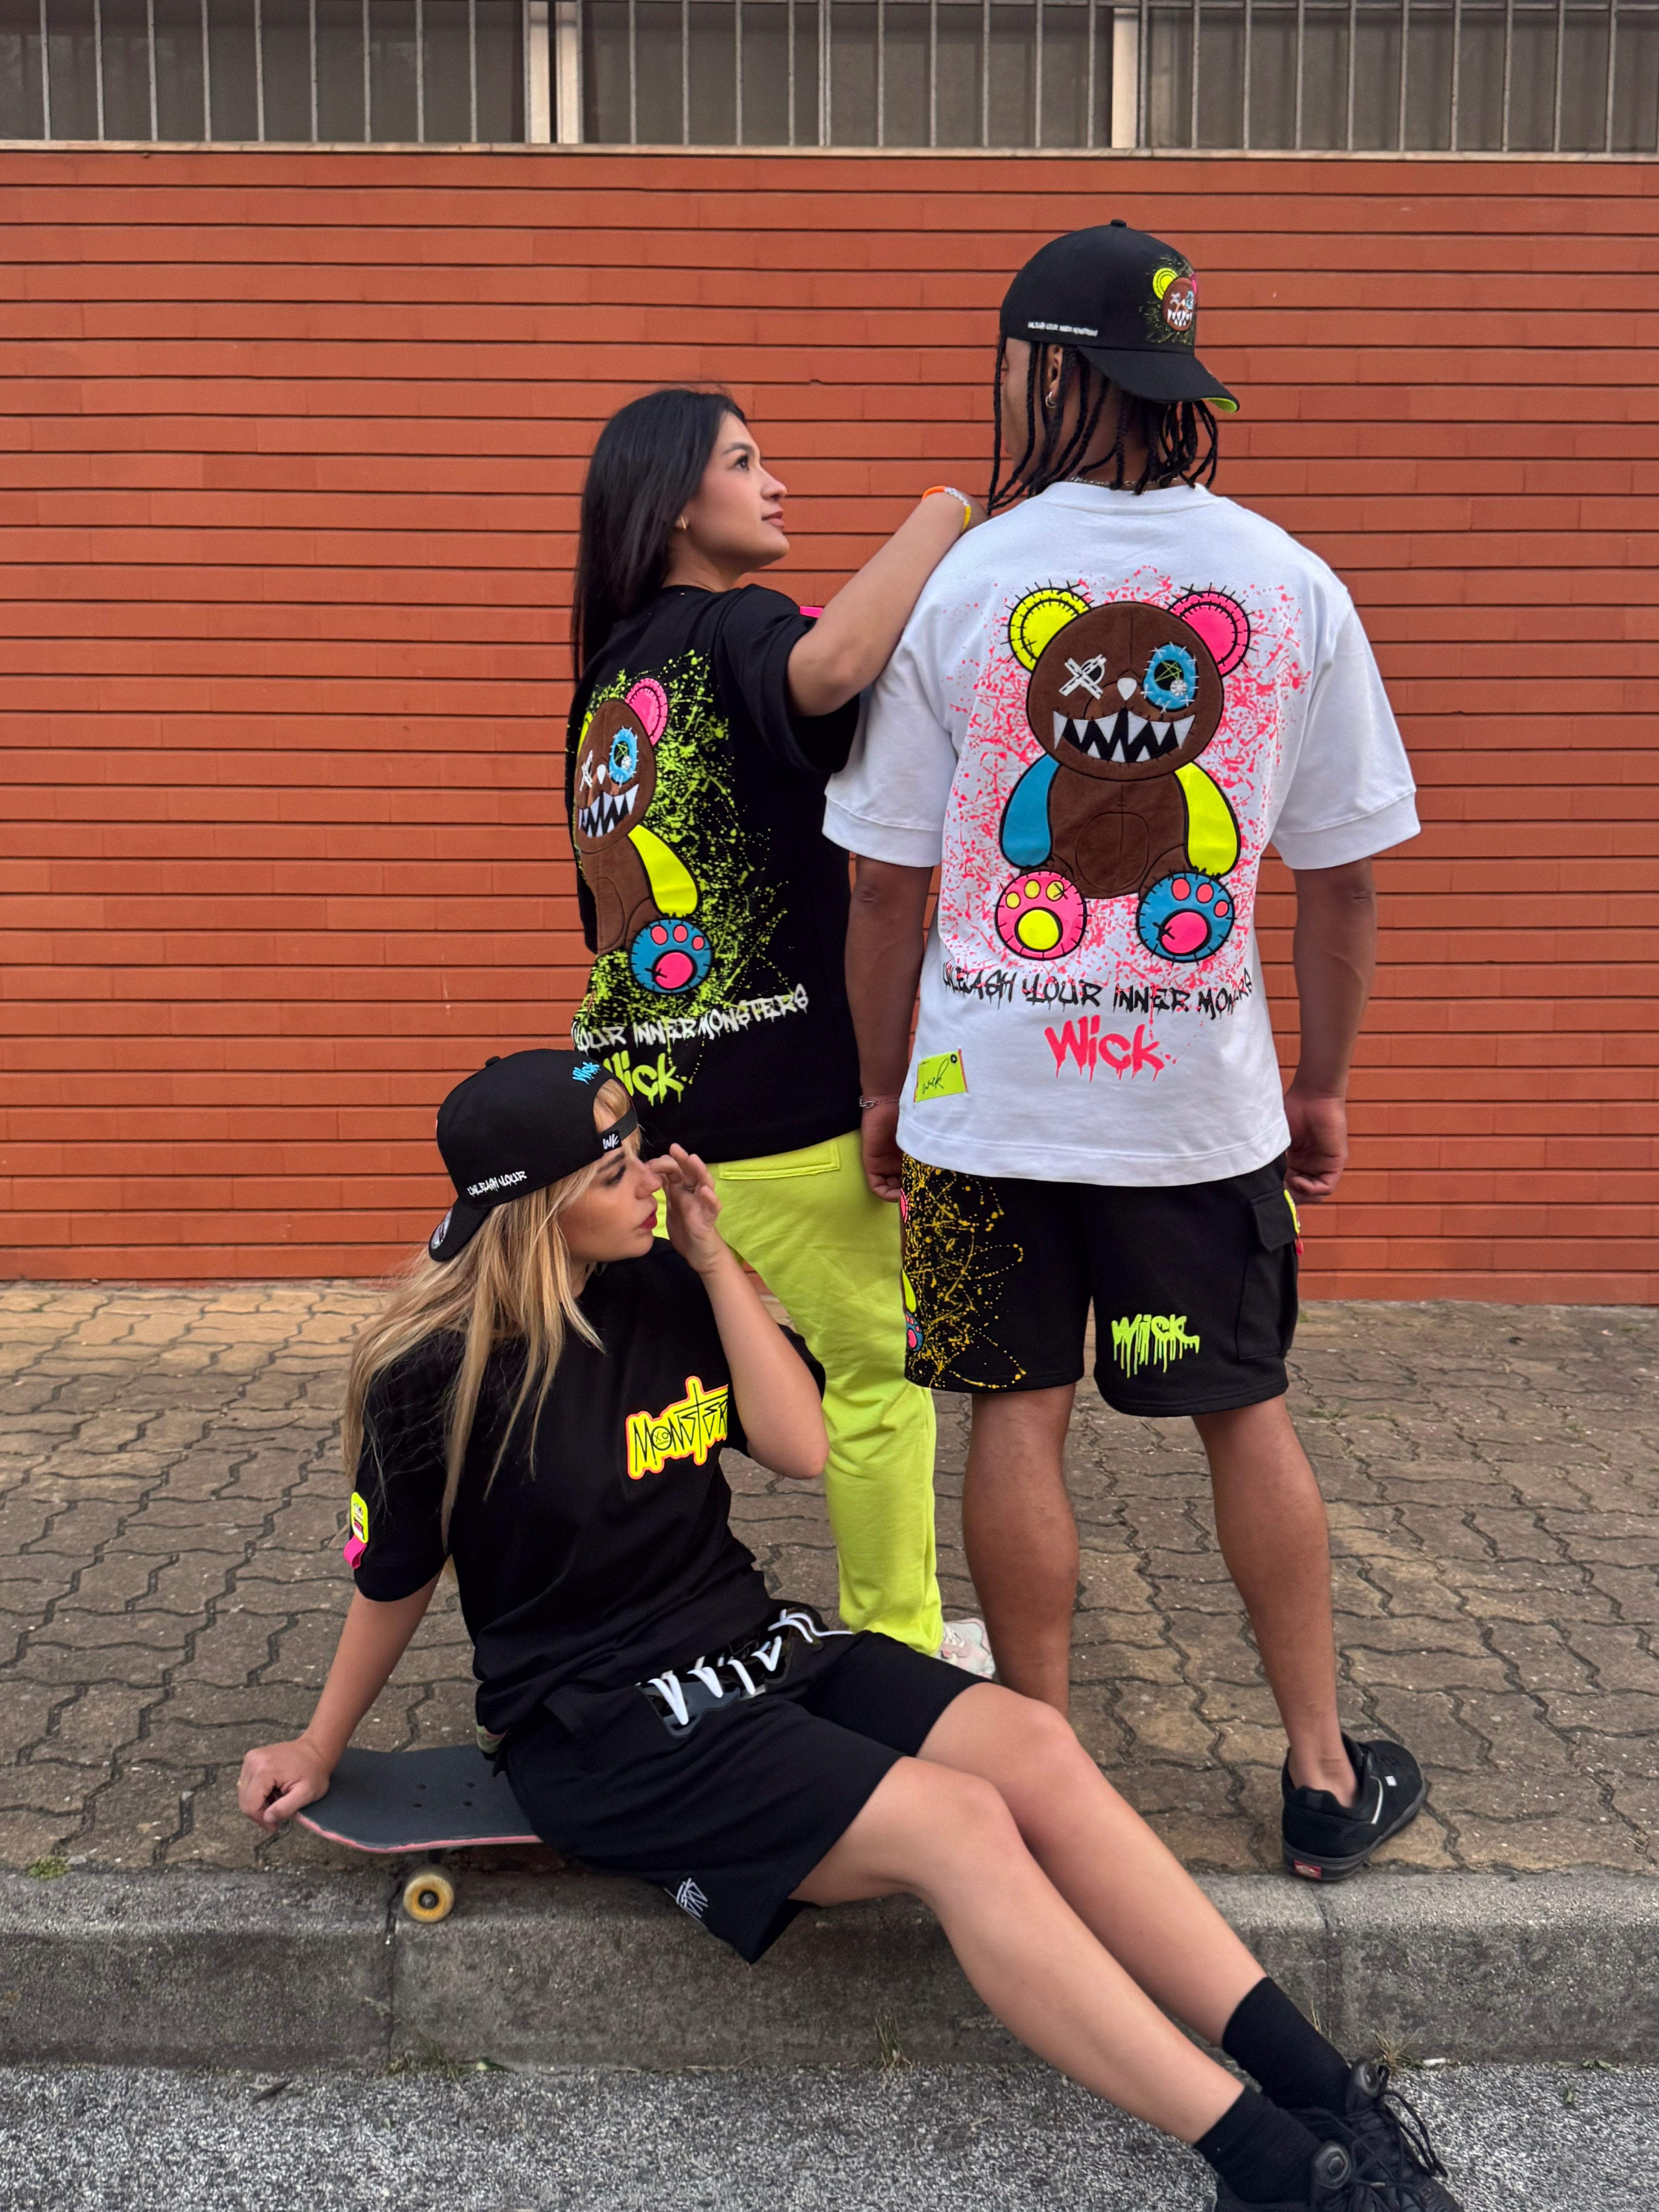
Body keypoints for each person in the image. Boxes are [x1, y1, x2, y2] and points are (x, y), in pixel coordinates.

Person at [238, 1050, 1463, 2212]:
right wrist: (318, 1741)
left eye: (640, 1150)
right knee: (963, 1827)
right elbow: (393, 1582)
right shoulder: (432, 1376)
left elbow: (799, 1446)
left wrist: (716, 1263)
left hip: (756, 1648)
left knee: (1034, 1746)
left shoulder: (662, 1282)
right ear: (536, 1210)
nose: (651, 1177)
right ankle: (1272, 2166)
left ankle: (1322, 2088)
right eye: (613, 1171)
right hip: (609, 1728)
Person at [824, 222, 1426, 1883]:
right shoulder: (1290, 583)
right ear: (1175, 383)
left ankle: (1043, 1784)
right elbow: (1341, 879)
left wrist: (881, 1084)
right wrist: (1321, 1084)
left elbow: (882, 886)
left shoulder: (964, 582)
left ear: (1042, 370)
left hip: (982, 1108)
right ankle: (1320, 1775)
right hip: (1196, 1119)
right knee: (1246, 1412)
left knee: (1013, 1420)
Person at [563, 388, 989, 1677]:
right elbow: (833, 668)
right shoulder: (735, 624)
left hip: (644, 1115)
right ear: (673, 505)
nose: (776, 484)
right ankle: (899, 1656)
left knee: (651, 1401)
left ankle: (634, 1644)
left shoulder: (614, 677)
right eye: (745, 463)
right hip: (788, 1107)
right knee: (874, 1387)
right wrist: (945, 513)